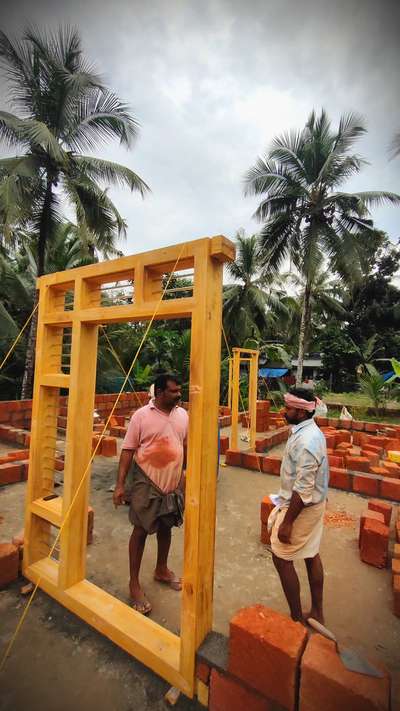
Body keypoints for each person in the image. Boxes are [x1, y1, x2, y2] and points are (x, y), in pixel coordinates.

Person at [113, 373, 188, 615]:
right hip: (146, 481)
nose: (179, 394)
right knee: (141, 530)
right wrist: (120, 485)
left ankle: (161, 569)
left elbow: (183, 445)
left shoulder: (183, 415)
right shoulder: (141, 416)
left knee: (166, 526)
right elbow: (127, 450)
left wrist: (183, 474)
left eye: (179, 390)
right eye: (174, 391)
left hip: (172, 482)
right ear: (159, 393)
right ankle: (134, 584)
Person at [268, 387, 329, 625]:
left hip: (303, 508)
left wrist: (288, 523)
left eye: (289, 408)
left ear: (302, 413)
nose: (285, 411)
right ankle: (317, 612)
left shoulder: (308, 440)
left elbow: (303, 489)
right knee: (310, 553)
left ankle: (296, 619)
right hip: (311, 504)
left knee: (281, 557)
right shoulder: (305, 431)